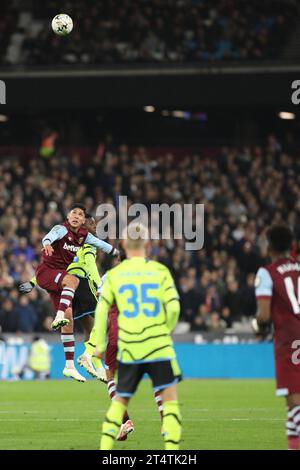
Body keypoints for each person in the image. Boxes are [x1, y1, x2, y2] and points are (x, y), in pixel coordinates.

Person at [94, 222, 182, 450]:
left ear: (121, 248)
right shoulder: (159, 271)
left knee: (114, 382)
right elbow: (173, 308)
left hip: (120, 337)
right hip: (154, 338)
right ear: (148, 245)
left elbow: (101, 309)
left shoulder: (111, 276)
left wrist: (97, 343)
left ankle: (121, 425)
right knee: (163, 385)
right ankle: (168, 432)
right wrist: (166, 329)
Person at [26, 203, 118, 382]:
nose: (94, 228)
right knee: (104, 320)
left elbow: (101, 244)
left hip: (62, 281)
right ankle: (91, 358)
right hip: (78, 282)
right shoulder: (70, 234)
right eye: (92, 225)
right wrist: (100, 287)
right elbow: (89, 265)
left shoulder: (83, 238)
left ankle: (74, 365)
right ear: (82, 222)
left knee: (81, 324)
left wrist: (115, 251)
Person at [254, 224, 300, 450]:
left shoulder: (266, 272)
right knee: (292, 416)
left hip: (290, 340)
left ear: (269, 246)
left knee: (294, 404)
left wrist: (257, 326)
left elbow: (263, 316)